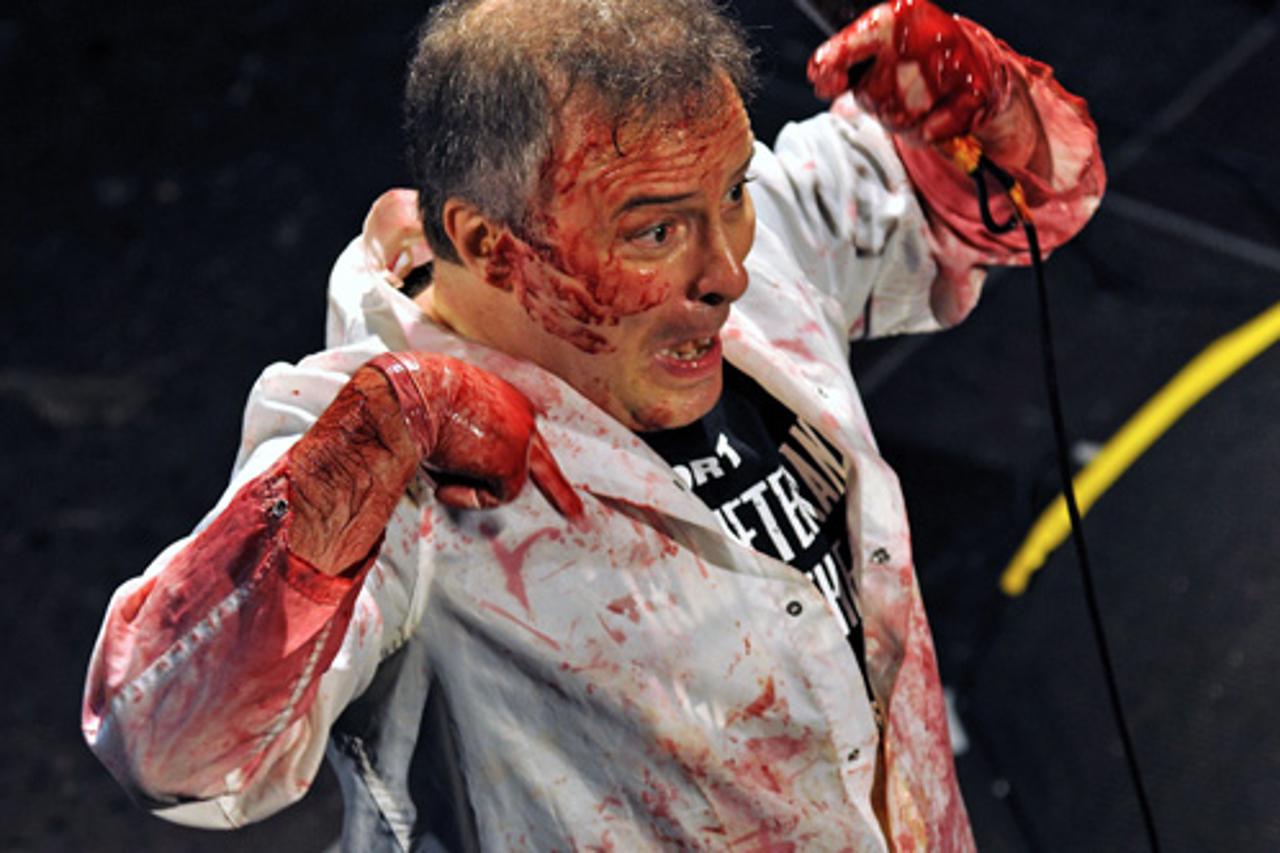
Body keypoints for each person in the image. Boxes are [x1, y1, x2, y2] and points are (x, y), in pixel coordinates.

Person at [82, 0, 1104, 849]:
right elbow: (166, 748)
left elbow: (1036, 201)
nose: (727, 271)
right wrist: (369, 444)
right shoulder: (380, 470)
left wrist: (993, 100)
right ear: (492, 245)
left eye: (733, 194)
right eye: (654, 231)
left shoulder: (738, 253)